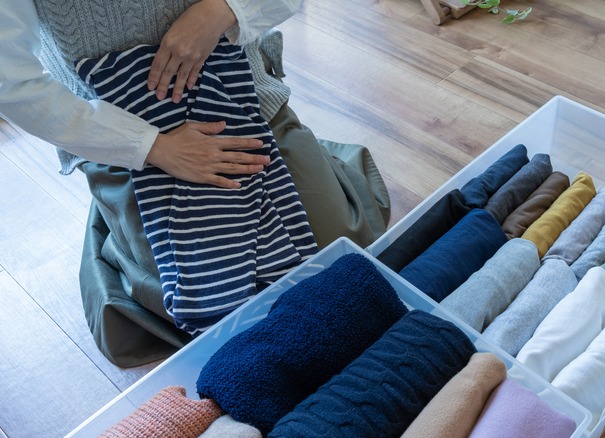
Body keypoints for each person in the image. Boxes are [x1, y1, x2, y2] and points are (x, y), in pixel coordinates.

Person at [0, 0, 391, 367]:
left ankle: (305, 155)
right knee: (205, 303)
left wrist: (224, 9)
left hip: (240, 94)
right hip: (122, 131)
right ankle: (111, 227)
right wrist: (151, 146)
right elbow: (10, 82)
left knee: (339, 252)